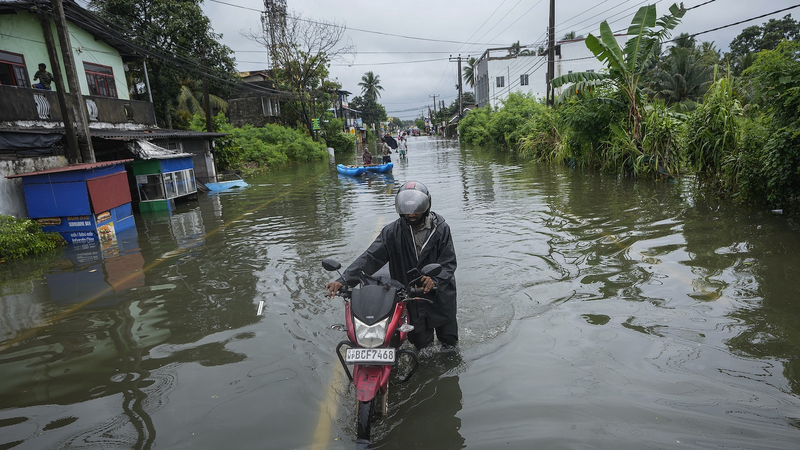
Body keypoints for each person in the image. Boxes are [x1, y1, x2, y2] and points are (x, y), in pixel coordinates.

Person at [325, 181, 458, 349]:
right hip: (411, 296)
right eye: (407, 210)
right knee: (422, 347)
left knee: (450, 344)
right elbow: (371, 257)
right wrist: (344, 280)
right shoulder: (392, 232)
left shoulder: (441, 230)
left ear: (426, 206)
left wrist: (435, 280)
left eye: (416, 209)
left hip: (440, 297)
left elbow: (448, 263)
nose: (411, 214)